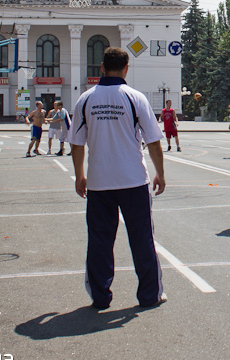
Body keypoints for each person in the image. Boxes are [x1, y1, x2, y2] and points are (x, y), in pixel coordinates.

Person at [68, 46, 167, 310]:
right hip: (134, 181)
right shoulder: (135, 97)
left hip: (99, 183)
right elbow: (154, 142)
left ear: (101, 67)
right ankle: (149, 296)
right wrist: (161, 173)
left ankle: (100, 297)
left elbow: (77, 144)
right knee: (143, 239)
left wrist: (80, 175)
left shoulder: (85, 99)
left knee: (100, 241)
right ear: (126, 69)